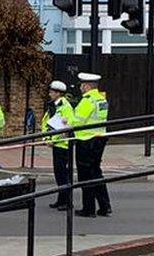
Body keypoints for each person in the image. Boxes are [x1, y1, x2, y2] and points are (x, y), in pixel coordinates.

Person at [72, 72, 111, 217]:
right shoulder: (101, 99)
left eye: (82, 85)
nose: (80, 87)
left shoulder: (87, 100)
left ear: (87, 86)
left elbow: (77, 120)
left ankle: (88, 209)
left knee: (85, 175)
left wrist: (63, 121)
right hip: (100, 139)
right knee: (96, 172)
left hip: (86, 141)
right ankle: (105, 206)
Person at [42, 80, 75, 210]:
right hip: (57, 144)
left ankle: (67, 201)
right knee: (59, 173)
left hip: (63, 145)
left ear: (58, 93)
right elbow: (47, 124)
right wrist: (46, 138)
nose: (49, 93)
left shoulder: (65, 107)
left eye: (51, 92)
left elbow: (65, 127)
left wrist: (53, 140)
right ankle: (61, 200)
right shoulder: (54, 105)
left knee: (62, 174)